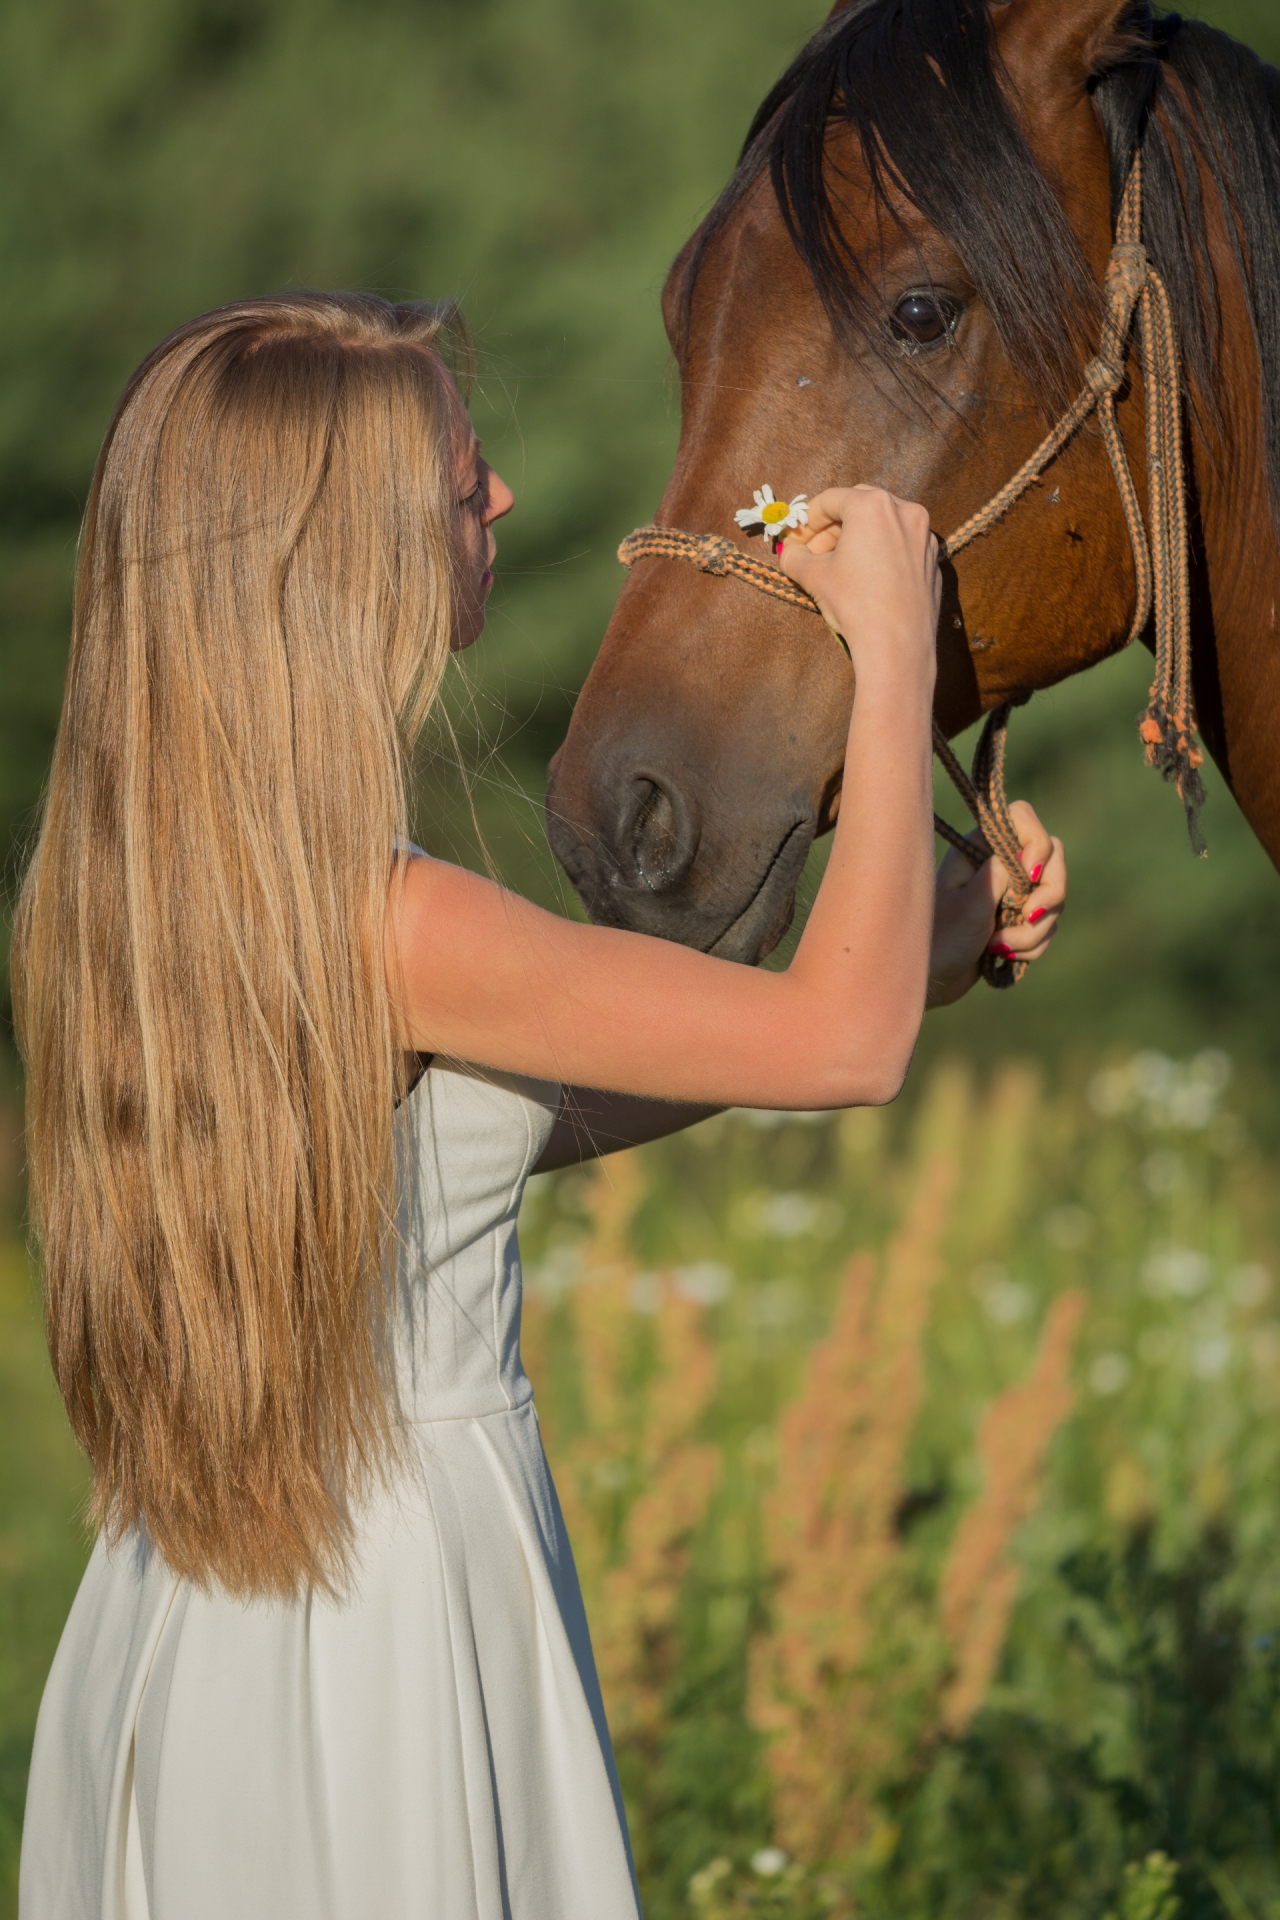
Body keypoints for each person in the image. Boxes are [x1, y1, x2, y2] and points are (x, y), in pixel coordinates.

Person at [13, 292, 1066, 1920]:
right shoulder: (404, 925)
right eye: (458, 484)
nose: (498, 504)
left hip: (190, 1626)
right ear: (341, 555)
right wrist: (891, 651)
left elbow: (490, 1133)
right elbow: (836, 1050)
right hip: (384, 1627)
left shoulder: (137, 903)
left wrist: (914, 949)